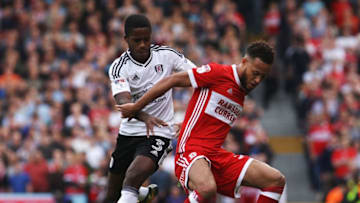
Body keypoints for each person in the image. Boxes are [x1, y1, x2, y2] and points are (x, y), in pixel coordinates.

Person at [117, 41, 286, 203]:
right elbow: (172, 80)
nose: (257, 80)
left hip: (215, 156)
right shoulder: (218, 73)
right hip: (191, 150)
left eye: (262, 77)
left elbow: (206, 111)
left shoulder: (241, 92)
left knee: (275, 180)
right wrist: (136, 107)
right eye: (255, 73)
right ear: (244, 62)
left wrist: (186, 123)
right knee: (207, 188)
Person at [106, 14, 196, 203]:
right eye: (136, 40)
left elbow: (198, 77)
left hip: (159, 133)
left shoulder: (167, 55)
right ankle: (143, 196)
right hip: (128, 134)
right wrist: (145, 117)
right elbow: (124, 103)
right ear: (126, 40)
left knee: (132, 178)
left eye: (146, 39)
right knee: (112, 196)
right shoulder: (119, 67)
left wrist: (190, 118)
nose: (142, 44)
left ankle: (137, 193)